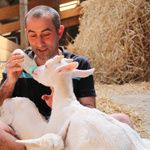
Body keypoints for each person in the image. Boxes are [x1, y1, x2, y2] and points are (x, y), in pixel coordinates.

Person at [0, 5, 133, 150]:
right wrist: (10, 81)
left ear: (59, 32)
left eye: (46, 34)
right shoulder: (18, 65)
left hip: (67, 132)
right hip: (32, 134)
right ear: (26, 34)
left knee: (122, 120)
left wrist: (60, 104)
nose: (39, 43)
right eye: (33, 35)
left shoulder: (78, 64)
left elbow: (89, 108)